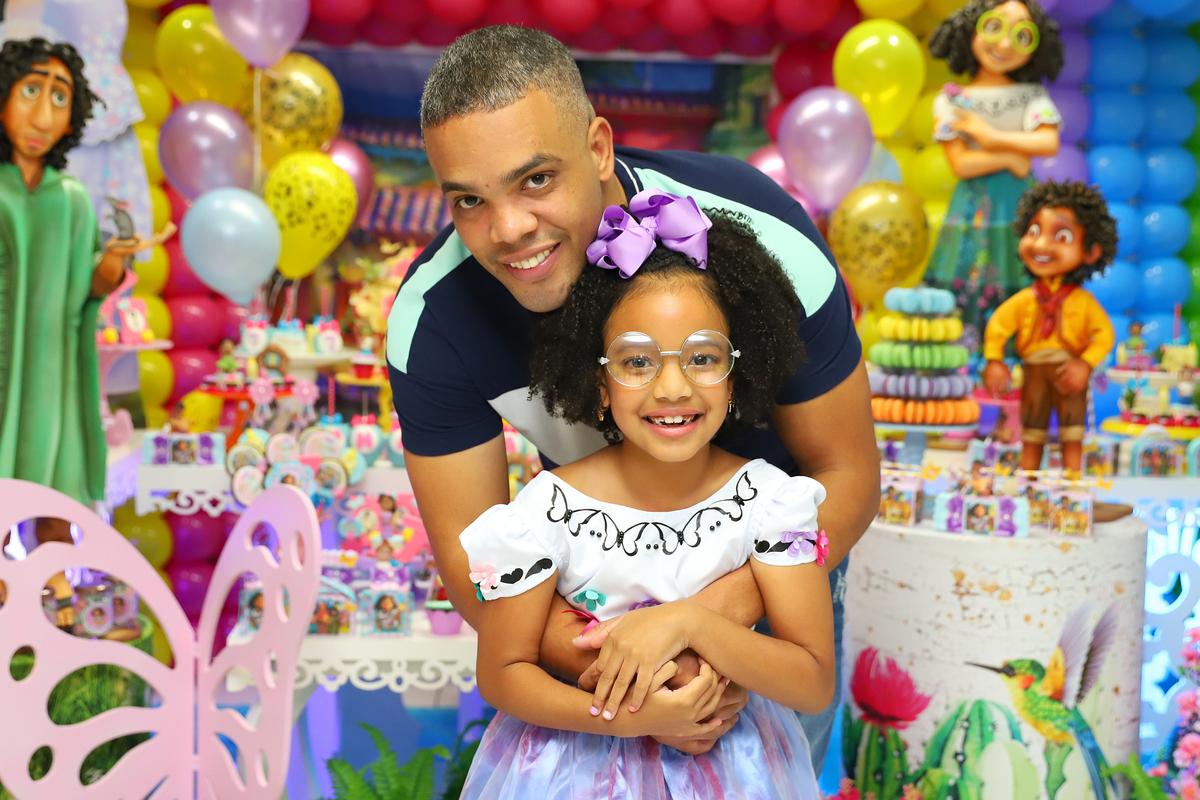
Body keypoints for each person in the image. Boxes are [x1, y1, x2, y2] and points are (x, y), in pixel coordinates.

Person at [386, 25, 878, 763]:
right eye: (468, 200)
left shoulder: (763, 234)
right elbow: (473, 566)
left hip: (776, 581)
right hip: (589, 618)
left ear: (598, 148)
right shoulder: (433, 320)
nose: (508, 229)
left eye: (535, 180)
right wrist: (631, 681)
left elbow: (845, 474)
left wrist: (704, 628)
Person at [459, 199, 833, 798]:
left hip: (733, 769)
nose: (673, 386)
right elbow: (503, 675)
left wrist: (688, 622)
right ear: (600, 383)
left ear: (735, 374)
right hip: (574, 774)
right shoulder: (546, 511)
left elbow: (812, 683)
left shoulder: (772, 504)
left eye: (703, 357)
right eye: (637, 361)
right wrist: (632, 719)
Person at [925, 0, 1064, 351]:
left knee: (1020, 266)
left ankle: (1018, 354)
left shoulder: (1032, 96)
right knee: (967, 270)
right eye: (994, 27)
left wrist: (988, 137)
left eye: (1021, 36)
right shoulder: (952, 99)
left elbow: (1048, 142)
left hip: (1019, 207)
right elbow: (961, 164)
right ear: (971, 29)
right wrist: (1012, 158)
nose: (1004, 44)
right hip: (972, 210)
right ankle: (965, 357)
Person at [982, 180, 1117, 474]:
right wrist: (994, 360)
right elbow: (998, 325)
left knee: (1072, 431)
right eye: (1034, 231)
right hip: (1033, 372)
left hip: (1070, 373)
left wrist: (1085, 363)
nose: (1042, 245)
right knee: (1031, 430)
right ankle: (1028, 480)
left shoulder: (1084, 302)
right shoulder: (1025, 300)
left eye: (1062, 236)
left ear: (1091, 252)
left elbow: (1104, 334)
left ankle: (1073, 482)